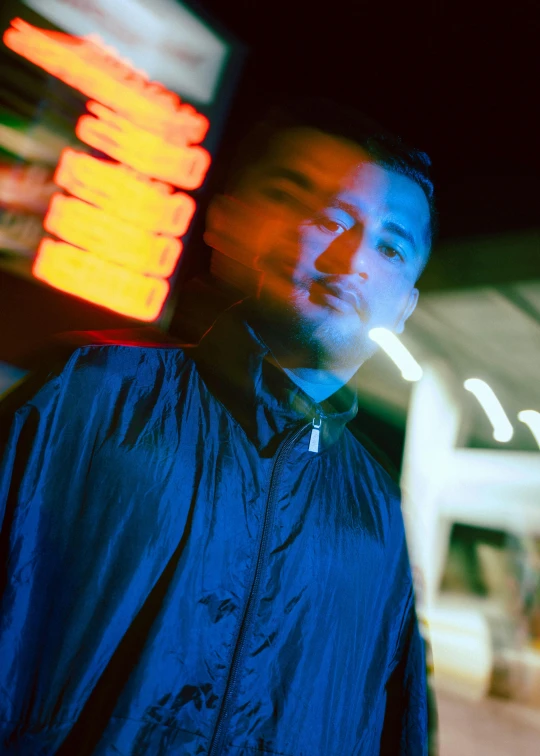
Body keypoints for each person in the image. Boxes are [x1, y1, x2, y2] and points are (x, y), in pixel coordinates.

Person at [0, 100, 435, 755]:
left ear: (404, 306)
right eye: (323, 214)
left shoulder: (375, 518)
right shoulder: (85, 395)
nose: (352, 258)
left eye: (391, 243)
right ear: (227, 223)